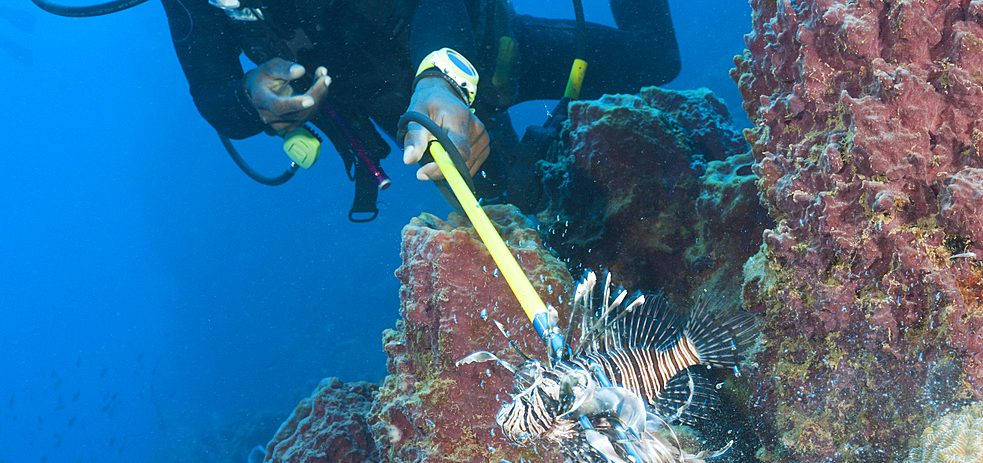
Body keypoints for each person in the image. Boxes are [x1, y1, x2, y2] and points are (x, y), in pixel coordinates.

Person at [160, 0, 680, 216]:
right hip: (404, 115)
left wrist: (440, 78)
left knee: (657, 59)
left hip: (485, 51)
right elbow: (211, 93)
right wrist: (249, 97)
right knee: (512, 220)